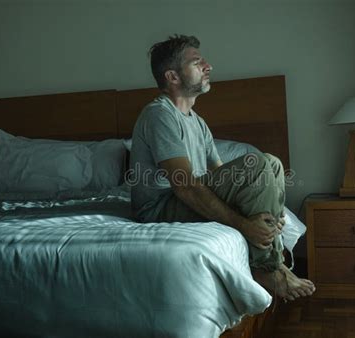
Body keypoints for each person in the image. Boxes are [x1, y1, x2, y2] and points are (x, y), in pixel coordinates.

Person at [129, 34, 315, 301]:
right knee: (259, 165)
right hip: (158, 208)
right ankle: (267, 267)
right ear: (172, 77)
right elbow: (184, 185)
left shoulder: (197, 122)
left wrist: (271, 203)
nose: (208, 67)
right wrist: (243, 224)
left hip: (183, 197)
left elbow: (223, 178)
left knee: (270, 163)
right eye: (197, 63)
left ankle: (272, 259)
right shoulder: (159, 115)